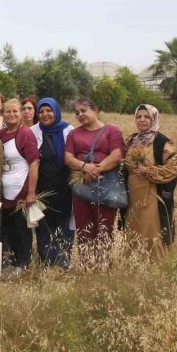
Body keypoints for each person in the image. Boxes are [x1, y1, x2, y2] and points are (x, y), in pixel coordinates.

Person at [64, 97, 125, 270]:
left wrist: (96, 169)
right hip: (82, 188)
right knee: (84, 229)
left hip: (106, 186)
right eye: (77, 113)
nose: (80, 115)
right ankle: (86, 266)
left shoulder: (111, 131)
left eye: (83, 110)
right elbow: (68, 158)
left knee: (104, 228)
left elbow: (117, 155)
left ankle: (103, 267)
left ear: (95, 110)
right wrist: (84, 166)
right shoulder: (74, 134)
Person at [122, 104, 177, 260]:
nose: (142, 120)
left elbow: (173, 169)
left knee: (151, 227)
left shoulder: (163, 142)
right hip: (132, 193)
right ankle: (132, 262)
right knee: (132, 225)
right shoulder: (131, 140)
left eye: (146, 117)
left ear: (154, 118)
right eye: (138, 116)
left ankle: (155, 264)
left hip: (152, 193)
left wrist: (150, 171)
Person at [30, 98, 75, 268]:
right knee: (44, 226)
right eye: (41, 111)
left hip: (64, 188)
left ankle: (63, 261)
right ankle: (46, 261)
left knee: (64, 225)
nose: (45, 114)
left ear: (56, 111)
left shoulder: (69, 131)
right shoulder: (33, 131)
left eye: (49, 111)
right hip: (42, 189)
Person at [0, 99, 40, 270]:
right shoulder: (1, 134)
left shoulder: (25, 133)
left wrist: (31, 192)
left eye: (15, 111)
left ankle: (23, 264)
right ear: (3, 114)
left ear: (21, 113)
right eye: (8, 111)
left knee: (21, 230)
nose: (12, 114)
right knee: (6, 230)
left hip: (21, 192)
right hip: (4, 193)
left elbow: (34, 163)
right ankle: (10, 261)